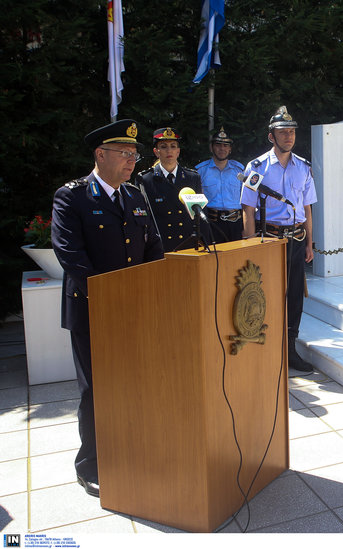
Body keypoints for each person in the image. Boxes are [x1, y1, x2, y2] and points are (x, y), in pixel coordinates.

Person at [51, 119, 164, 497]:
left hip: (134, 310)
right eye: (124, 154)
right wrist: (108, 296)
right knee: (95, 390)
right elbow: (71, 255)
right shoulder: (73, 197)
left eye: (134, 154)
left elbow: (153, 248)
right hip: (92, 310)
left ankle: (132, 447)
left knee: (134, 384)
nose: (132, 161)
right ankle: (91, 463)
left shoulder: (135, 196)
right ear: (100, 155)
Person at [241, 106, 317, 374]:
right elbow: (248, 209)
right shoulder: (257, 167)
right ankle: (266, 349)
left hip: (296, 239)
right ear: (271, 136)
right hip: (269, 240)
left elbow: (307, 208)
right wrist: (249, 244)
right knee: (268, 296)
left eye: (292, 132)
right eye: (283, 132)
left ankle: (290, 350)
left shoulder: (304, 167)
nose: (289, 136)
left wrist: (310, 243)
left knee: (295, 296)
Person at [135, 127, 203, 251]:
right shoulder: (145, 180)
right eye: (164, 146)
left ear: (178, 151)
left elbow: (201, 215)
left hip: (188, 244)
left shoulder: (192, 177)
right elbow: (144, 220)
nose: (169, 150)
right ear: (156, 151)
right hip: (161, 246)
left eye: (173, 146)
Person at [195, 128, 245, 242]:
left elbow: (246, 200)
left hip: (236, 224)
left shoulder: (240, 171)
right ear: (212, 147)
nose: (222, 148)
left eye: (226, 145)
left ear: (230, 149)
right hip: (211, 224)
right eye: (218, 145)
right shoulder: (201, 171)